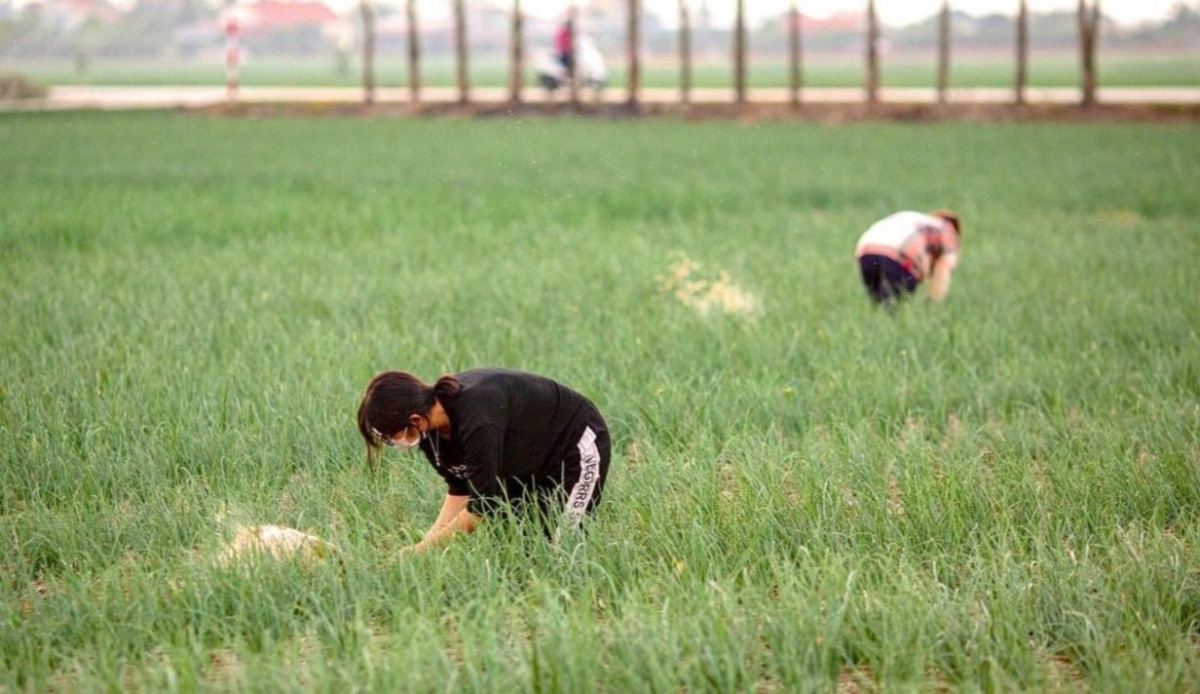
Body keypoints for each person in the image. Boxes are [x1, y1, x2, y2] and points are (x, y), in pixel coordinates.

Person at [356, 368, 611, 553]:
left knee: (566, 545)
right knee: (525, 551)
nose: (394, 443)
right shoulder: (430, 435)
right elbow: (461, 489)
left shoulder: (478, 417)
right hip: (528, 463)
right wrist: (422, 544)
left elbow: (483, 507)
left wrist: (421, 551)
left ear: (414, 420)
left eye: (391, 436)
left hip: (576, 446)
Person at [854, 209, 962, 305]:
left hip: (866, 250)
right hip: (900, 256)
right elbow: (943, 271)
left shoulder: (914, 217)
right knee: (892, 309)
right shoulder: (948, 232)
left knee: (879, 305)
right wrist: (931, 303)